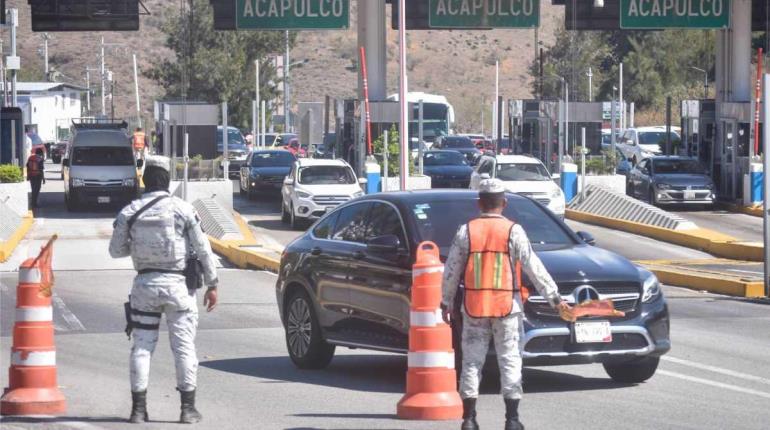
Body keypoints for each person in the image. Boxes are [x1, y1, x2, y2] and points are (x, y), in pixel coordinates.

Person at [440, 178, 574, 430]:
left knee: (471, 363)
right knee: (510, 361)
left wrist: (445, 302)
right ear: (504, 203)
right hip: (507, 309)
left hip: (474, 307)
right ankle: (512, 420)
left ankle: (469, 419)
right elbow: (535, 268)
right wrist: (555, 299)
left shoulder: (466, 231)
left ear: (479, 203)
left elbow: (451, 271)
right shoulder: (514, 231)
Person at [109, 156, 219, 424]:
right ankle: (187, 410)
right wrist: (213, 283)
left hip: (144, 287)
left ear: (145, 179)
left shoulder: (129, 211)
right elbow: (203, 249)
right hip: (178, 288)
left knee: (142, 347)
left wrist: (139, 247)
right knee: (183, 348)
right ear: (167, 181)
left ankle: (137, 410)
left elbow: (115, 251)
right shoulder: (183, 209)